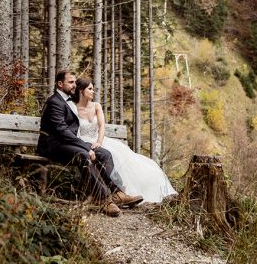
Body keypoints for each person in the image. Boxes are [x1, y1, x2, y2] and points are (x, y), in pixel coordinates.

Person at [37, 70, 143, 217]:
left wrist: (92, 144)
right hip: (53, 146)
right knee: (83, 154)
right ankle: (103, 199)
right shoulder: (55, 101)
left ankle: (117, 193)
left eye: (75, 82)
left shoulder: (68, 101)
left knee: (104, 153)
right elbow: (61, 131)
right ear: (60, 84)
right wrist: (85, 146)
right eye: (71, 82)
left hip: (66, 143)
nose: (74, 85)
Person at [74, 77, 178, 203]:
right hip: (83, 143)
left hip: (99, 141)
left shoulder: (96, 106)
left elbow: (101, 126)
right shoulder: (74, 108)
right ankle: (113, 193)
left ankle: (122, 192)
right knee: (107, 156)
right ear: (81, 91)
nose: (93, 91)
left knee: (124, 157)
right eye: (90, 89)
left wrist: (99, 142)